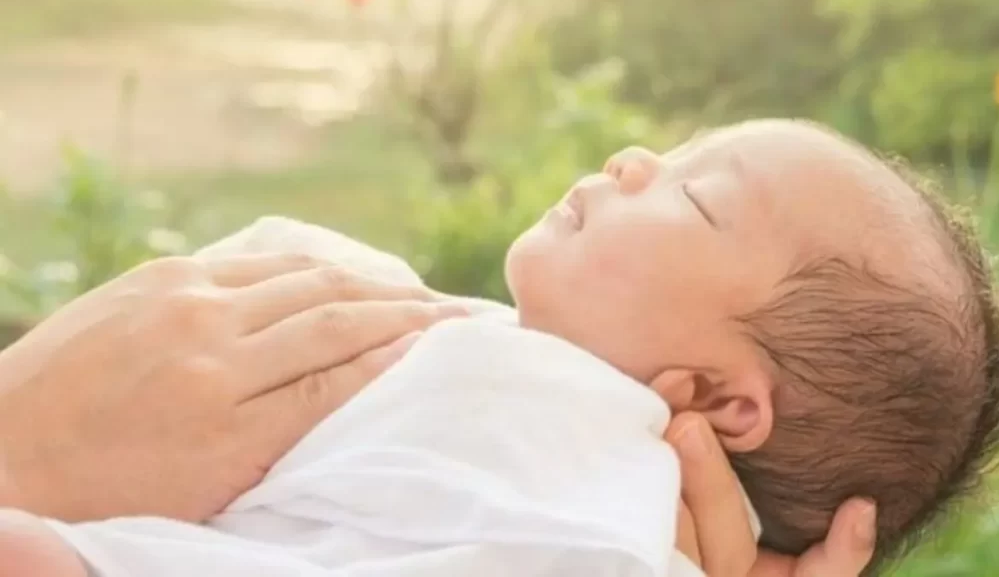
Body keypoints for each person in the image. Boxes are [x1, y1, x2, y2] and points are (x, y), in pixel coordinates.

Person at [0, 133, 885, 577]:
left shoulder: (597, 502)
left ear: (721, 399)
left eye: (697, 196)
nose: (633, 158)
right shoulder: (510, 367)